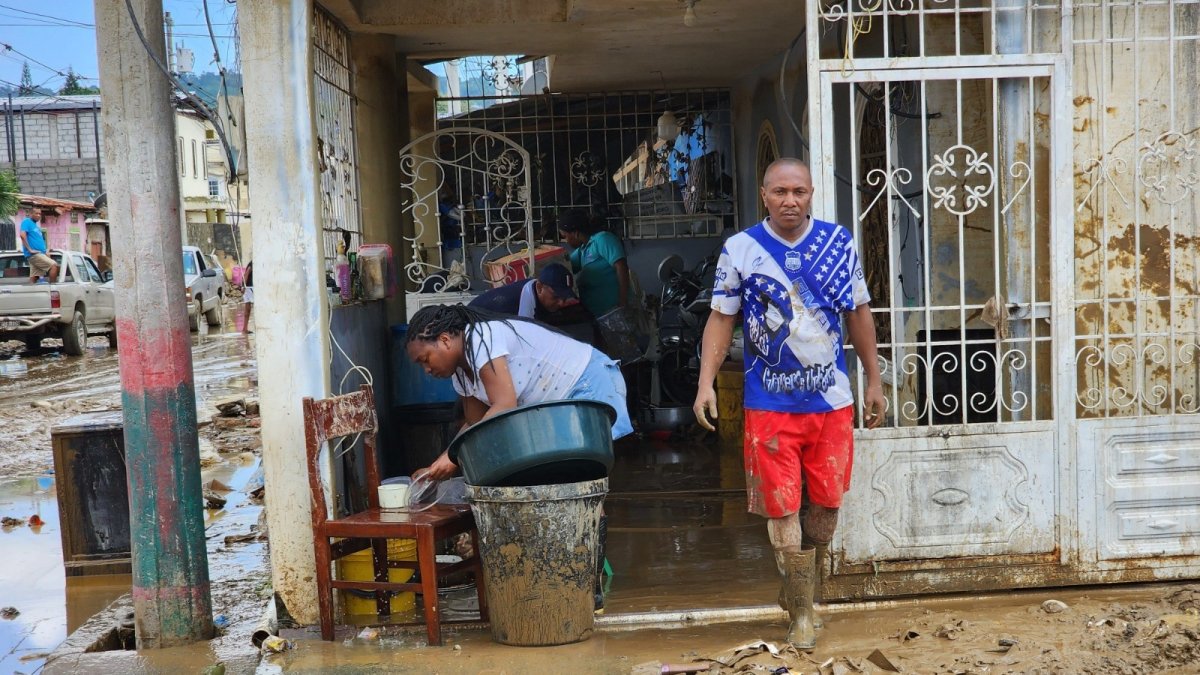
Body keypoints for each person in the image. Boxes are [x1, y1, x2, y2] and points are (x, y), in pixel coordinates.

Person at [692, 158, 884, 650]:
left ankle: (800, 589)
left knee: (824, 511)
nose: (790, 201)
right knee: (782, 509)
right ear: (764, 194)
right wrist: (705, 384)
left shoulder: (838, 243)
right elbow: (720, 318)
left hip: (830, 403)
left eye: (799, 191)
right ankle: (803, 614)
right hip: (769, 405)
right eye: (780, 192)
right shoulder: (740, 249)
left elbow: (858, 314)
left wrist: (874, 382)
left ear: (812, 192)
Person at [409, 304, 633, 481]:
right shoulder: (461, 374)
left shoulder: (481, 339)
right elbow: (476, 426)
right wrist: (437, 465)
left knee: (581, 478)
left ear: (445, 340)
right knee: (570, 482)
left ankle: (594, 534)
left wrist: (452, 460)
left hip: (586, 381)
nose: (426, 370)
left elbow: (504, 405)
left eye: (425, 359)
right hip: (560, 404)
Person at [558, 209, 630, 318]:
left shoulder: (602, 239)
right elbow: (565, 266)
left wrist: (623, 301)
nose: (566, 241)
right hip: (597, 314)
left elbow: (621, 266)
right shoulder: (582, 250)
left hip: (614, 311)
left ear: (576, 233)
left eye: (565, 236)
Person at [468, 263, 579, 320]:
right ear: (540, 287)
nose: (561, 303)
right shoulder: (511, 306)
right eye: (555, 297)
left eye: (564, 297)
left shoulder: (533, 289)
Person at [19, 209, 58, 284]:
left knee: (35, 277)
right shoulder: (27, 221)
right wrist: (30, 249)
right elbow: (22, 235)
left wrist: (46, 250)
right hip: (34, 254)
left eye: (40, 214)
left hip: (40, 253)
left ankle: (30, 293)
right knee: (54, 266)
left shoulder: (36, 226)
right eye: (36, 213)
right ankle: (53, 288)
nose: (38, 215)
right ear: (31, 214)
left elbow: (38, 241)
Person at [241, 261, 253, 334]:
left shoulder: (252, 262)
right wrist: (243, 286)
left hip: (248, 287)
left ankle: (244, 328)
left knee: (247, 309)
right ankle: (244, 329)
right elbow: (247, 273)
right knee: (248, 309)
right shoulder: (253, 262)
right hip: (250, 287)